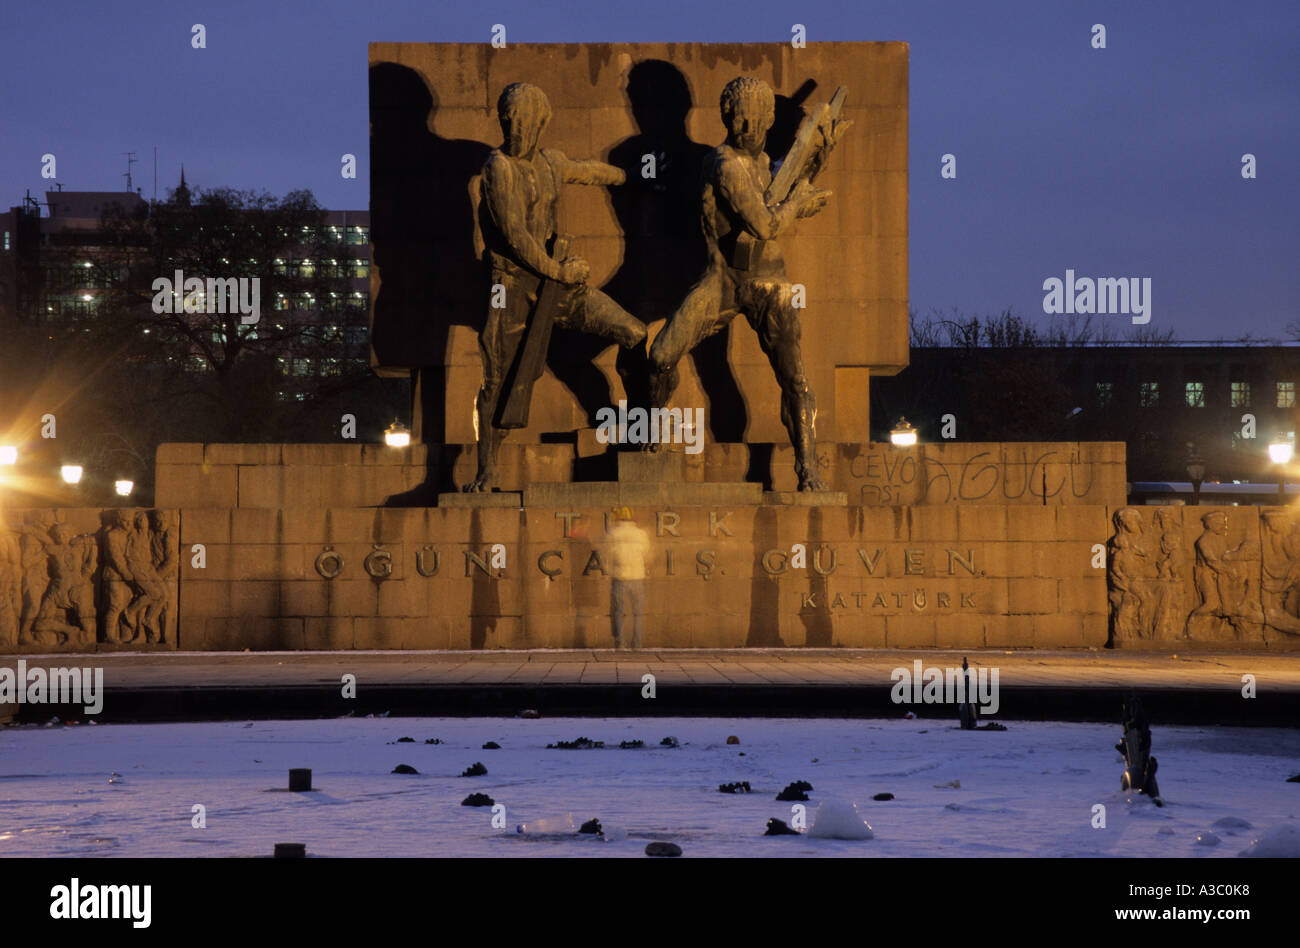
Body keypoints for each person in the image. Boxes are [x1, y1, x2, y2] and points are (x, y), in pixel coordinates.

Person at [647, 76, 846, 490]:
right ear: (726, 119)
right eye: (738, 120)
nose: (746, 129)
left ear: (768, 121)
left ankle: (807, 470)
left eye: (755, 121)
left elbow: (793, 175)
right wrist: (798, 205)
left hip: (767, 280)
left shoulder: (764, 164)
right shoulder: (723, 164)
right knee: (661, 355)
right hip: (721, 279)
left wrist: (820, 151)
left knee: (794, 375)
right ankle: (650, 439)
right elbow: (765, 222)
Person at [466, 82, 647, 492]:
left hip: (558, 285)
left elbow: (589, 171)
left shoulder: (550, 162)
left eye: (524, 120)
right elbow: (515, 234)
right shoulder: (498, 167)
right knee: (498, 378)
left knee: (634, 333)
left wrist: (633, 177)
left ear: (542, 123)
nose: (515, 128)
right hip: (512, 287)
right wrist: (559, 271)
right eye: (508, 119)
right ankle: (487, 470)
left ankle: (640, 436)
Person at [603, 507, 650, 649]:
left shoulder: (612, 533)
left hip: (619, 576)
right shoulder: (640, 534)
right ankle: (637, 643)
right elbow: (646, 553)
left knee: (618, 611)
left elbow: (607, 555)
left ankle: (620, 643)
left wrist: (609, 571)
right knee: (638, 612)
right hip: (637, 576)